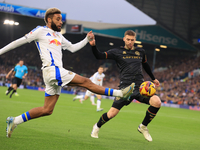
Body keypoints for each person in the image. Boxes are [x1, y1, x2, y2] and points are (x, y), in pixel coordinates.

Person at [0, 8, 135, 138]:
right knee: (87, 82)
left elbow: (72, 48)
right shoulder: (40, 31)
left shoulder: (59, 35)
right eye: (58, 19)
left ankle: (14, 121)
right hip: (52, 70)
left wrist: (86, 40)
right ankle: (120, 93)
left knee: (47, 110)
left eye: (61, 19)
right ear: (48, 19)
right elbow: (16, 42)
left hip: (53, 73)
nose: (61, 22)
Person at [89, 30, 161, 142]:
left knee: (156, 102)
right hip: (125, 88)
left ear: (135, 40)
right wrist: (93, 46)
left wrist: (153, 78)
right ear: (124, 39)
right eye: (128, 39)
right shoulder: (117, 51)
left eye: (132, 40)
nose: (130, 42)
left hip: (140, 87)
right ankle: (97, 127)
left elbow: (145, 64)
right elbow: (99, 55)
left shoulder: (140, 51)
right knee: (112, 113)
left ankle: (143, 126)